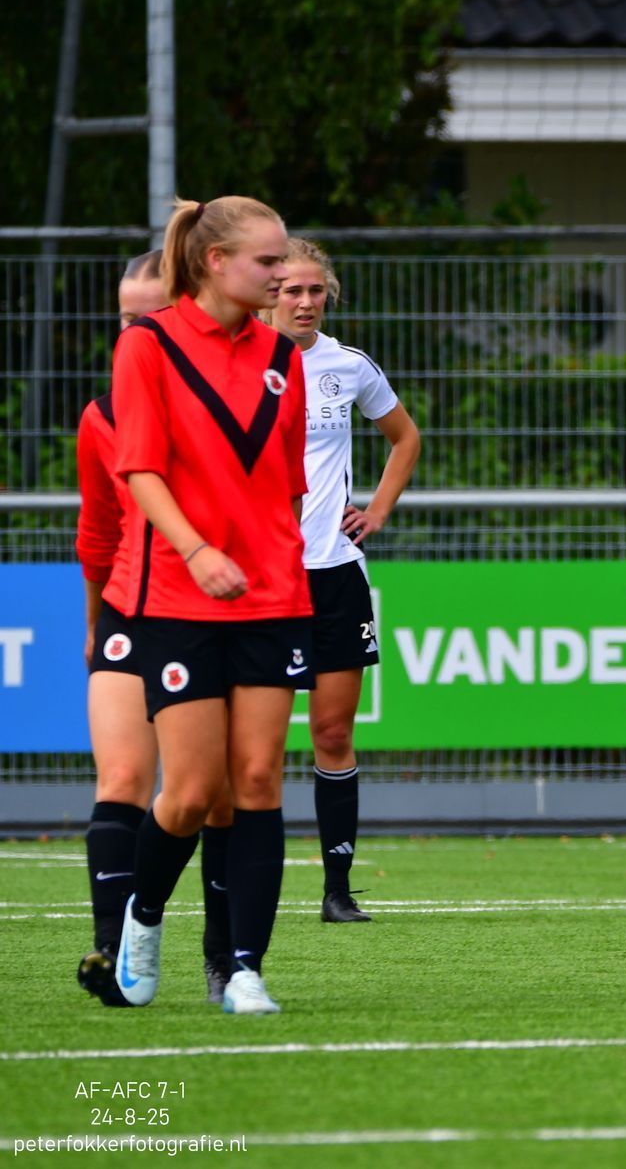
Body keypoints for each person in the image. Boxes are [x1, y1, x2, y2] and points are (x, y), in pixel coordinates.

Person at [94, 196, 312, 1015]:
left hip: (273, 597)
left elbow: (286, 484)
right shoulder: (147, 345)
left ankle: (245, 968)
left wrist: (279, 563)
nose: (284, 274)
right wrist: (196, 549)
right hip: (182, 597)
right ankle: (143, 918)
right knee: (189, 793)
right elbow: (139, 470)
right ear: (216, 262)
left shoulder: (283, 356)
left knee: (257, 779)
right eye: (269, 261)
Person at [75, 251, 237, 1008]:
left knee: (212, 796)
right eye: (124, 319)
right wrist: (94, 621)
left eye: (148, 317)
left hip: (210, 612)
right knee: (122, 781)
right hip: (129, 610)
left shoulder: (229, 398)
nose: (133, 333)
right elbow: (98, 531)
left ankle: (225, 959)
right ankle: (116, 954)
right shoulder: (101, 416)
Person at [269, 238, 420, 923]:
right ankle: (245, 886)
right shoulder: (239, 364)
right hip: (264, 581)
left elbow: (405, 437)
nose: (304, 302)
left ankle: (337, 890)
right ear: (267, 295)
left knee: (332, 733)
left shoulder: (348, 366)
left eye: (315, 290)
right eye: (290, 290)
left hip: (334, 574)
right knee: (256, 749)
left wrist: (378, 511)